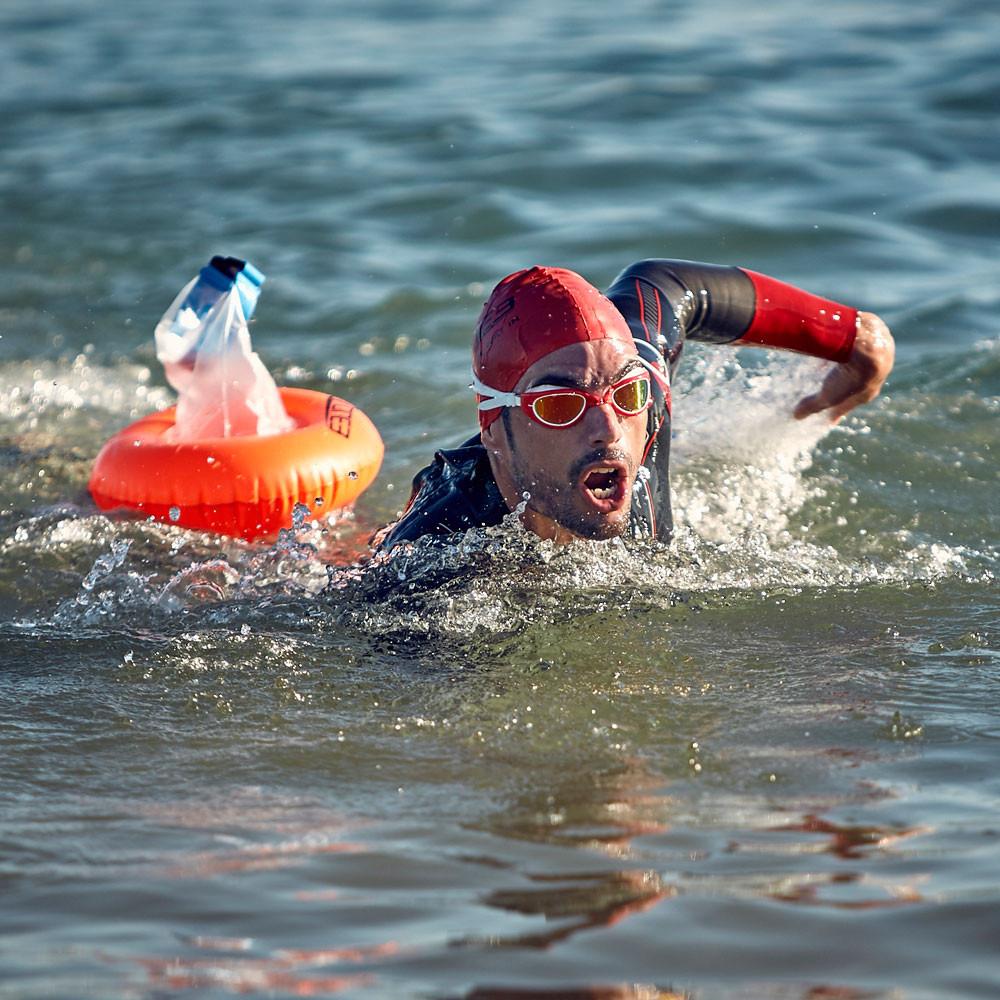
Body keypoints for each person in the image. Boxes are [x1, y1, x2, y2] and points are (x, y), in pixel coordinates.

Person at [373, 259, 894, 549]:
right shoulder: (438, 548)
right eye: (560, 405)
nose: (610, 428)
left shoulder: (645, 385)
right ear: (493, 428)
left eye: (625, 394)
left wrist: (855, 339)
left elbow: (664, 284)